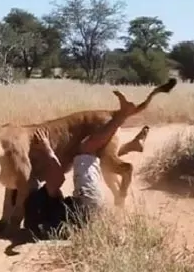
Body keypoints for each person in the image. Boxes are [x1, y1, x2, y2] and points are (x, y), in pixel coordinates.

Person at [23, 90, 147, 239]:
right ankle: (121, 116)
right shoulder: (38, 199)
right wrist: (47, 149)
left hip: (88, 223)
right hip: (88, 202)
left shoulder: (33, 222)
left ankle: (130, 146)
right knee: (84, 150)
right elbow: (58, 178)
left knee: (100, 157)